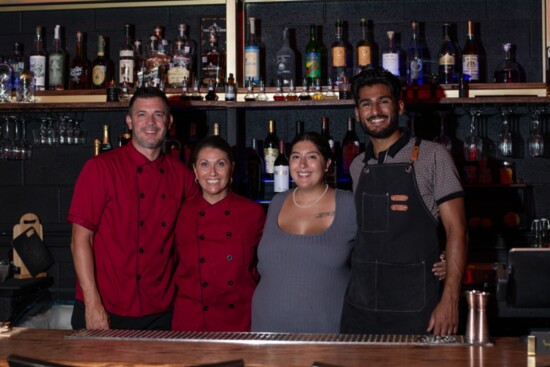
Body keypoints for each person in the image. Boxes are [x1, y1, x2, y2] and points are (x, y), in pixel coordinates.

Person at [340, 67, 467, 336]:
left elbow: (458, 230)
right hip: (361, 307)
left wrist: (450, 300)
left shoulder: (433, 156)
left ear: (399, 106)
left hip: (416, 306)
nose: (375, 111)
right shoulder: (357, 165)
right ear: (357, 113)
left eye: (383, 101)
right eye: (366, 103)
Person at [68, 87, 198, 330]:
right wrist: (92, 304)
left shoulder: (183, 176)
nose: (150, 122)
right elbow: (80, 240)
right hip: (105, 309)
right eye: (141, 115)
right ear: (129, 121)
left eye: (158, 115)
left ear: (168, 122)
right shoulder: (100, 168)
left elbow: (193, 239)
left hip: (161, 312)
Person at [251, 132, 356, 333]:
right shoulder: (277, 202)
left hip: (326, 329)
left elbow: (379, 253)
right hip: (267, 325)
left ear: (327, 164)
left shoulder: (348, 204)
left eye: (312, 157)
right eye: (296, 157)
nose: (303, 165)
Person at [172, 135, 266, 332]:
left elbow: (266, 267)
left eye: (220, 164)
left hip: (240, 320)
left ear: (231, 168)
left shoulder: (253, 213)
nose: (212, 172)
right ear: (195, 171)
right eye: (204, 164)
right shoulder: (181, 212)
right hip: (192, 322)